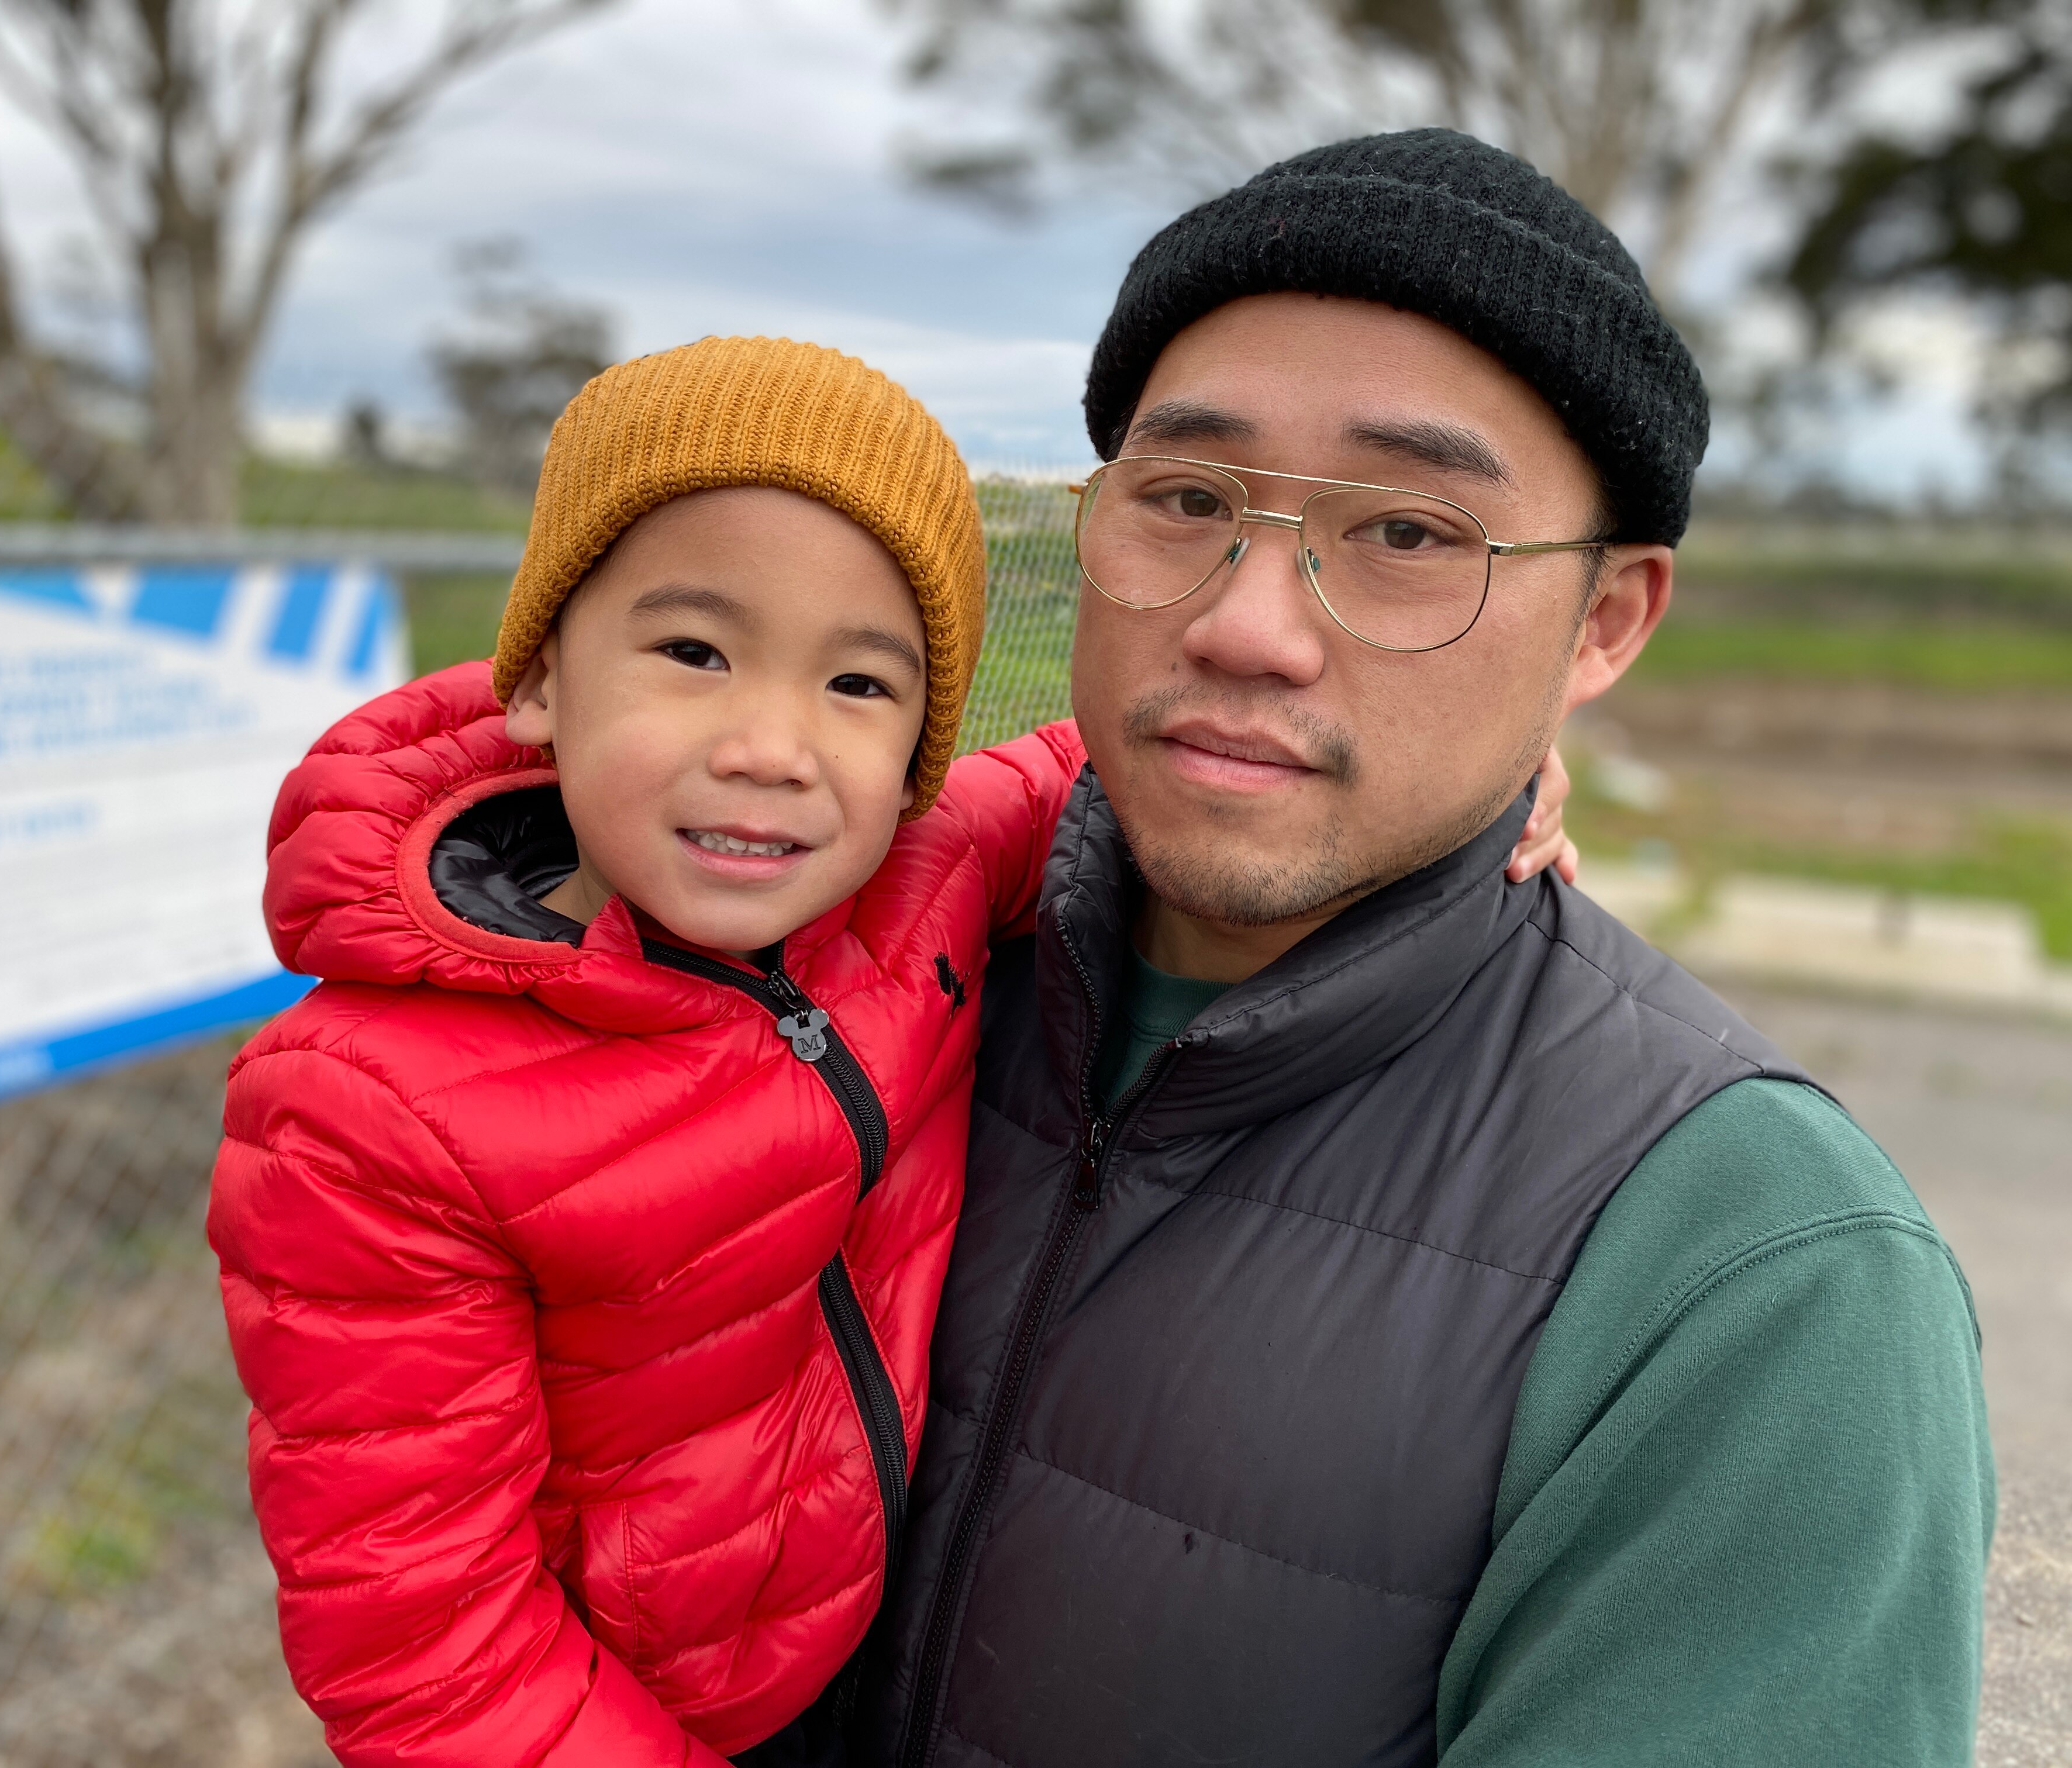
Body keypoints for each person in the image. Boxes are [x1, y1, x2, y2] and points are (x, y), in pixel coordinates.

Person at [209, 334, 1574, 1768]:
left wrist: (1462, 781)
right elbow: (423, 1639)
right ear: (541, 680)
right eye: (693, 652)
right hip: (651, 1720)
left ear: (923, 742)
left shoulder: (911, 883)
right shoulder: (370, 1112)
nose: (772, 747)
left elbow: (1095, 771)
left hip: (882, 1640)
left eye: (860, 687)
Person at [854, 130, 1994, 1768]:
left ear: (1605, 621)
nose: (1247, 621)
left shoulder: (1761, 1283)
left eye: (1408, 536)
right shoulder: (844, 976)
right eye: (1185, 499)